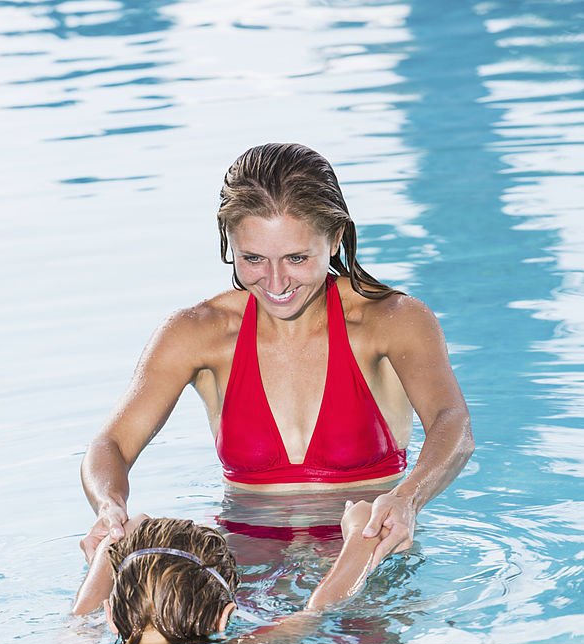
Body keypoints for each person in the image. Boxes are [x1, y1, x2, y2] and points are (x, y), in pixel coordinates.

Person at [80, 142, 474, 569]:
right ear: (230, 243)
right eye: (253, 259)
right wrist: (109, 507)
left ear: (336, 238)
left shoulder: (392, 321)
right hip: (240, 575)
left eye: (297, 258)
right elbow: (111, 443)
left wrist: (405, 500)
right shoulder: (196, 333)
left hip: (370, 562)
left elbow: (452, 424)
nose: (275, 282)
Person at [73, 500, 382, 644]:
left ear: (111, 615)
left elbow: (81, 613)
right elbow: (319, 608)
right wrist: (360, 533)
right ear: (224, 619)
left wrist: (114, 541)